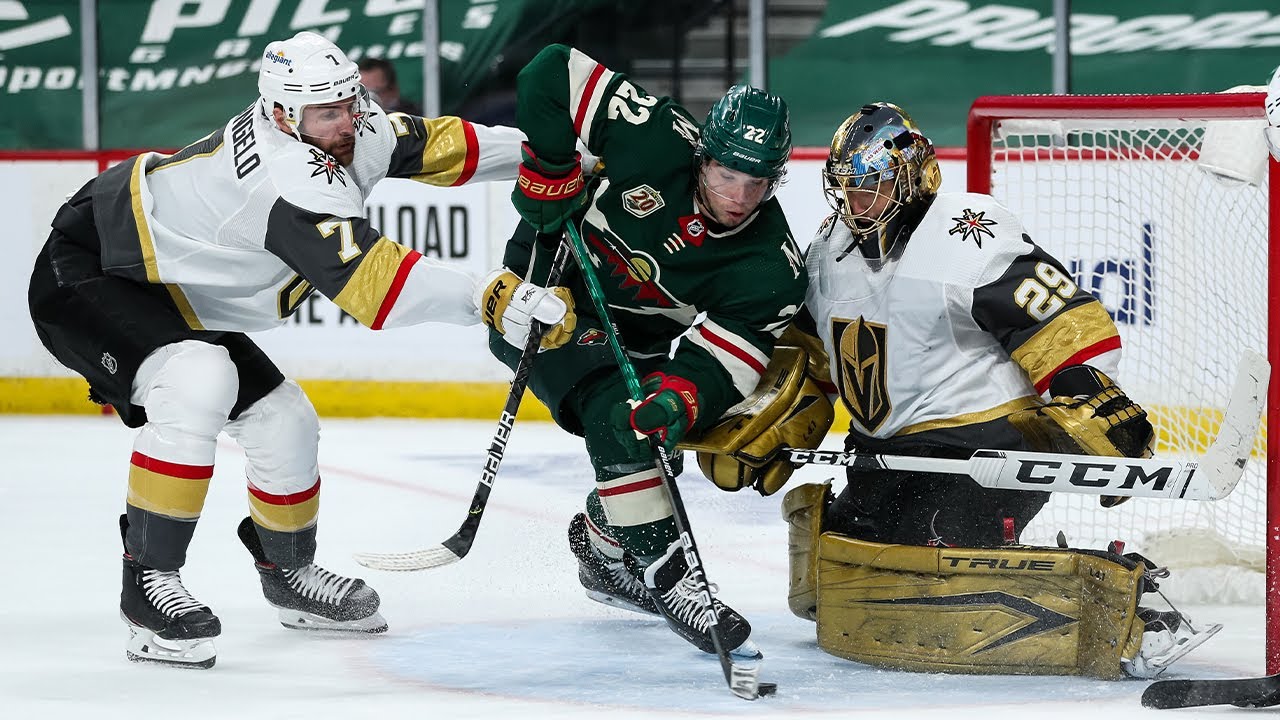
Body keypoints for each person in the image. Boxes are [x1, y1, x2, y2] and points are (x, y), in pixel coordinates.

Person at [26, 31, 576, 670]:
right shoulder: (285, 178)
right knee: (198, 378)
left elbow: (438, 146)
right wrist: (489, 297)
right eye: (327, 113)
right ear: (282, 115)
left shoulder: (340, 120)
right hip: (91, 270)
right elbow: (376, 286)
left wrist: (553, 155)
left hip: (169, 283)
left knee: (285, 421)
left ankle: (288, 574)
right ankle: (147, 583)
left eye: (350, 103)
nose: (347, 122)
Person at [693, 102, 1218, 679]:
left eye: (870, 185)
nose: (855, 201)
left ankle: (1131, 606)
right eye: (845, 187)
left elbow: (1053, 317)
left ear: (911, 176)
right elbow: (815, 355)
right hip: (883, 455)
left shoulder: (965, 232)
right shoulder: (828, 250)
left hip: (983, 449)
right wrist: (772, 411)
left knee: (942, 566)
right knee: (837, 574)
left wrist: (1090, 396)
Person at [494, 43, 808, 659]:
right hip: (544, 292)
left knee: (649, 443)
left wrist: (680, 399)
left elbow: (725, 360)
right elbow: (549, 68)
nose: (739, 197)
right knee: (617, 412)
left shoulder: (771, 266)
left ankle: (604, 551)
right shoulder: (654, 132)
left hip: (635, 340)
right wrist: (551, 170)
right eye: (726, 175)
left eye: (757, 182)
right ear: (703, 156)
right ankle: (671, 576)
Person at [358, 57, 423, 115]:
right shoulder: (353, 119)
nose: (366, 100)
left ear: (393, 90)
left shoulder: (413, 120)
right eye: (361, 93)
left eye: (374, 93)